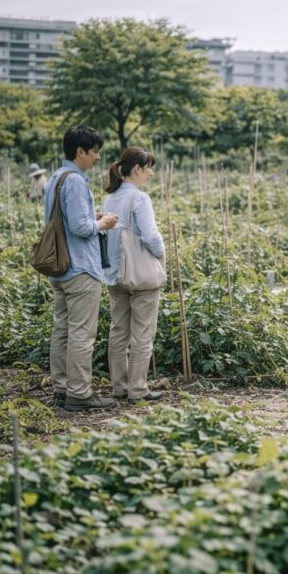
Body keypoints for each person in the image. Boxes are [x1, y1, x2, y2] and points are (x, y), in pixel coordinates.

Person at [44, 125, 119, 411]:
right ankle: (79, 393)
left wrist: (93, 215)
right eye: (94, 152)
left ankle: (62, 388)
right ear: (80, 152)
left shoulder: (56, 177)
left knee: (62, 330)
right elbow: (78, 227)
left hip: (60, 268)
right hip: (80, 268)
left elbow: (65, 220)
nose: (97, 158)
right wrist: (101, 224)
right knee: (81, 334)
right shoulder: (75, 180)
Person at [102, 147, 165, 403]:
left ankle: (119, 387)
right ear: (137, 169)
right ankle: (138, 389)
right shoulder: (140, 199)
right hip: (140, 275)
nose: (151, 173)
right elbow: (150, 236)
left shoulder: (110, 198)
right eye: (148, 167)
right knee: (142, 333)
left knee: (118, 331)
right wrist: (161, 253)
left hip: (115, 274)